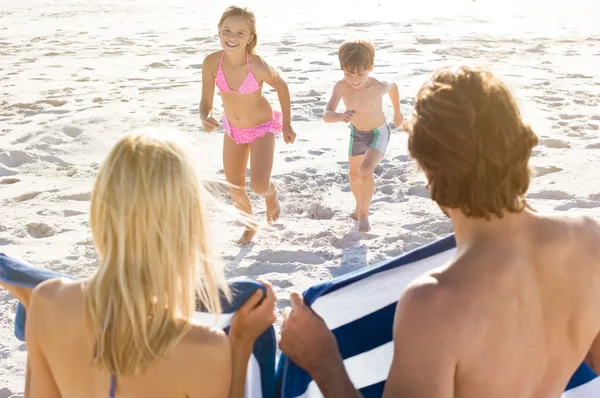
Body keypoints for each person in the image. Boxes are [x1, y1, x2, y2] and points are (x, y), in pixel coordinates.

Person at [279, 65, 600, 397]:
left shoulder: (435, 303)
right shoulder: (590, 241)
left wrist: (322, 360)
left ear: (428, 170)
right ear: (519, 143)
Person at [24, 131, 276, 398]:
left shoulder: (45, 302)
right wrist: (240, 345)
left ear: (100, 207)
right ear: (189, 224)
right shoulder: (201, 348)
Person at [200, 5, 297, 245]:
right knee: (234, 187)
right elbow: (205, 101)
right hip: (232, 130)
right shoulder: (212, 63)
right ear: (219, 32)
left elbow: (282, 87)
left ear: (250, 38)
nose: (232, 37)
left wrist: (286, 125)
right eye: (227, 31)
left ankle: (271, 192)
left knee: (258, 184)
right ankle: (250, 225)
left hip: (261, 128)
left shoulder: (257, 65)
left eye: (240, 33)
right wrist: (205, 117)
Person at [323, 40, 403, 233]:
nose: (354, 78)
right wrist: (340, 116)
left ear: (371, 68)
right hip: (357, 134)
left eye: (360, 73)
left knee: (365, 171)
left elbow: (393, 87)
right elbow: (326, 115)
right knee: (353, 174)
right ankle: (359, 205)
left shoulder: (377, 87)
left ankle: (364, 214)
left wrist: (397, 113)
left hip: (379, 133)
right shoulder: (341, 87)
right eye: (348, 73)